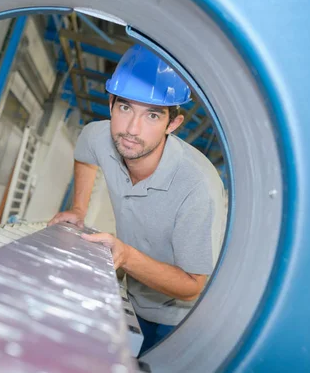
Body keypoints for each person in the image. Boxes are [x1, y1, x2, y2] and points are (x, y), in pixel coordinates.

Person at [48, 44, 226, 356]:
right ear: (111, 102)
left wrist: (126, 257)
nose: (132, 129)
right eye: (125, 108)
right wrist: (78, 208)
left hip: (181, 318)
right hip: (134, 298)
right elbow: (85, 154)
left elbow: (193, 284)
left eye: (152, 115)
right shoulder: (101, 136)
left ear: (173, 124)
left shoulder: (197, 187)